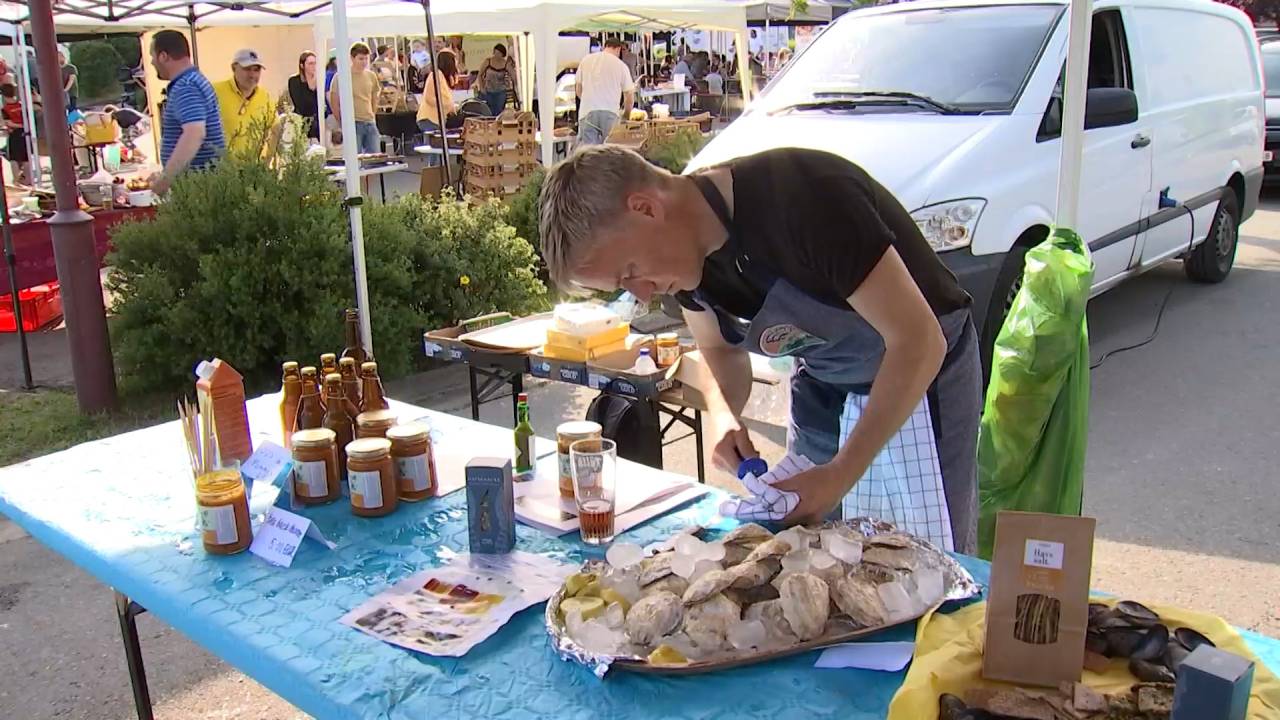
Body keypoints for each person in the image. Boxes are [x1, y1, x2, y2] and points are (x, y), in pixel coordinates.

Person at [537, 145, 982, 553]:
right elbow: (719, 352)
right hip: (826, 389)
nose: (643, 293)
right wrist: (724, 413)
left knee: (927, 562)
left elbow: (918, 340)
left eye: (630, 271)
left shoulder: (805, 198)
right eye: (623, 286)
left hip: (922, 380)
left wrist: (842, 473)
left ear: (646, 208)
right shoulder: (683, 266)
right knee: (814, 559)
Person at [148, 30, 224, 195]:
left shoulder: (186, 87)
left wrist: (165, 180)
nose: (152, 62)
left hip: (200, 188)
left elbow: (195, 133)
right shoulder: (192, 81)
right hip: (202, 184)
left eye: (152, 56)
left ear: (163, 56)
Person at [214, 48, 273, 157]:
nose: (252, 75)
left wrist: (267, 160)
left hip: (253, 169)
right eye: (247, 69)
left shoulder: (265, 97)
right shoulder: (215, 92)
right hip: (222, 169)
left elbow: (275, 129)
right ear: (233, 68)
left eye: (256, 70)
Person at [574, 38, 634, 146]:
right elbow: (629, 95)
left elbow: (578, 89)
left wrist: (588, 100)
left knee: (588, 154)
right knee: (610, 152)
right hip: (610, 112)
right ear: (618, 49)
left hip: (587, 112)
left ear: (604, 46)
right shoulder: (621, 65)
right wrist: (626, 115)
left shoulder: (586, 60)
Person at [329, 42, 381, 154]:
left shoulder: (371, 75)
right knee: (355, 158)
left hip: (369, 121)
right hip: (352, 122)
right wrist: (342, 120)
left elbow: (374, 96)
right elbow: (334, 100)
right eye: (361, 59)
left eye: (366, 59)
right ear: (352, 58)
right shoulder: (341, 76)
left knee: (375, 159)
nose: (364, 62)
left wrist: (372, 113)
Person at [416, 51, 457, 166]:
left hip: (434, 119)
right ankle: (433, 176)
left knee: (437, 152)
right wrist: (447, 105)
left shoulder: (441, 76)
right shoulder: (436, 75)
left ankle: (435, 175)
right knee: (436, 152)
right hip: (430, 118)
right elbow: (430, 97)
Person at [287, 51, 320, 141]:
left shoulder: (319, 80)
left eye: (315, 63)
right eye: (310, 64)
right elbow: (300, 103)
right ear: (302, 65)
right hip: (302, 122)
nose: (313, 66)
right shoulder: (294, 81)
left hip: (317, 123)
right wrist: (311, 89)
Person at [476, 44, 516, 117]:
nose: (497, 55)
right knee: (488, 111)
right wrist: (481, 87)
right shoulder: (488, 61)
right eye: (496, 53)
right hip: (488, 90)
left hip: (500, 91)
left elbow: (513, 75)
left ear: (503, 54)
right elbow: (480, 75)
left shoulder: (505, 64)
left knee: (498, 111)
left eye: (499, 53)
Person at [1, 84, 30, 185]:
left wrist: (18, 125)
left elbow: (8, 123)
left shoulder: (5, 109)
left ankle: (16, 180)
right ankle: (27, 180)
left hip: (14, 134)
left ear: (3, 96)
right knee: (26, 157)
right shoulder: (21, 105)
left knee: (14, 158)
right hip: (25, 133)